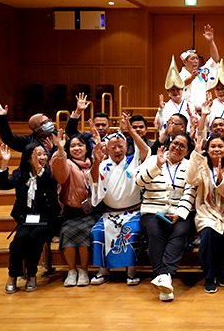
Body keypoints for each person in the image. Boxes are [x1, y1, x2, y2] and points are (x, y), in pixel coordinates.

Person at [88, 113, 149, 286]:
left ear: (125, 146)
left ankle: (131, 271)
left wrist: (130, 130)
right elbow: (94, 180)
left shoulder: (133, 161)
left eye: (120, 146)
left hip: (134, 212)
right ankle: (103, 271)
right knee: (97, 232)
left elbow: (145, 150)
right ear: (107, 149)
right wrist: (96, 161)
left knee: (131, 232)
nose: (117, 150)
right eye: (113, 147)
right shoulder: (102, 164)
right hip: (109, 214)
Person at [135, 132, 196, 302]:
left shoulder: (190, 165)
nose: (177, 147)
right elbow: (139, 182)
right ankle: (165, 277)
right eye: (175, 143)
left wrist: (179, 213)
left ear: (187, 151)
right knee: (155, 233)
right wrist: (157, 166)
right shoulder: (154, 158)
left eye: (182, 146)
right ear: (170, 143)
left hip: (179, 212)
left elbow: (190, 192)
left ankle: (163, 278)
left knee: (181, 231)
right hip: (153, 211)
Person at [0, 143, 61, 293]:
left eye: (44, 154)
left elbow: (51, 187)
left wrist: (39, 169)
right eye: (38, 154)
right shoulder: (19, 175)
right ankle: (13, 275)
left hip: (46, 220)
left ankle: (32, 275)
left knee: (34, 239)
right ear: (28, 158)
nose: (43, 157)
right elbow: (2, 185)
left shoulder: (50, 174)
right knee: (19, 240)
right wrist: (5, 162)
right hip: (26, 219)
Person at [186, 134, 224, 293]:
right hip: (205, 211)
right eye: (213, 146)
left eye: (220, 146)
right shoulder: (201, 164)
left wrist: (221, 179)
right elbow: (191, 180)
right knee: (208, 233)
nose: (217, 149)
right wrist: (195, 156)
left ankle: (221, 271)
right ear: (207, 149)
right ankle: (209, 276)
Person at [50, 129, 98, 288]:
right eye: (73, 146)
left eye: (80, 145)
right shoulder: (66, 162)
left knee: (86, 234)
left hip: (90, 212)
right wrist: (61, 150)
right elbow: (60, 174)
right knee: (67, 232)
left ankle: (83, 270)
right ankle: (72, 271)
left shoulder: (92, 162)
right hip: (71, 212)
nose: (76, 148)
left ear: (86, 147)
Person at [180, 24, 221, 110]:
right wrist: (192, 77)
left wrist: (210, 42)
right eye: (192, 59)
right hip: (186, 111)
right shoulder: (180, 75)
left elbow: (215, 60)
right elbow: (181, 84)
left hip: (202, 110)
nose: (196, 61)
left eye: (197, 58)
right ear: (184, 62)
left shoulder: (201, 72)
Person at [156, 56, 198, 133]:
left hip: (186, 139)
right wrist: (161, 110)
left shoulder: (190, 105)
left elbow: (197, 123)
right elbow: (158, 125)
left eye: (178, 89)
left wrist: (191, 115)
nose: (175, 92)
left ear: (182, 89)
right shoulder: (164, 106)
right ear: (168, 92)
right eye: (172, 90)